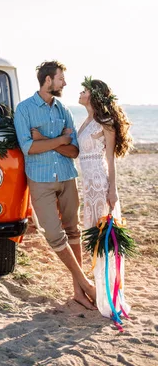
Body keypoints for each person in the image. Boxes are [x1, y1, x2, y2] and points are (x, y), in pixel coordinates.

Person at [14, 61, 96, 309]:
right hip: (40, 181)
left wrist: (48, 140)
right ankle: (84, 282)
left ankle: (78, 293)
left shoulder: (64, 110)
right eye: (61, 78)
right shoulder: (24, 109)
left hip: (67, 176)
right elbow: (29, 148)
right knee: (53, 234)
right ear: (48, 80)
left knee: (73, 231)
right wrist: (60, 138)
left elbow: (72, 151)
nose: (65, 83)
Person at [78, 76, 132, 317]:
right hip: (86, 187)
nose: (80, 93)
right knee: (92, 237)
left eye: (84, 90)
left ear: (94, 95)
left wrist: (113, 189)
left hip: (99, 185)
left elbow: (110, 160)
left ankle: (108, 295)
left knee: (102, 240)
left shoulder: (105, 122)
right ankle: (100, 290)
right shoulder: (86, 120)